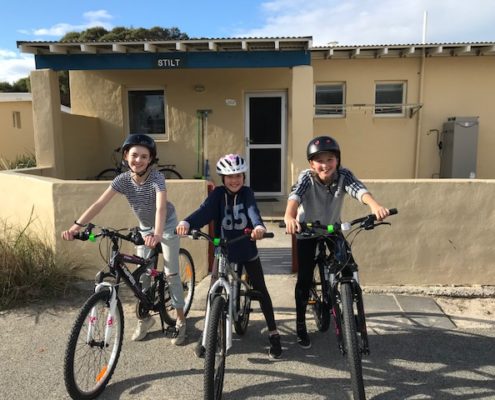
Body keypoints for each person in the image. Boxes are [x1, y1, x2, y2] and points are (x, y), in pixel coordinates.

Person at [61, 134, 187, 345]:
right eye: (134, 155)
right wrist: (76, 227)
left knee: (171, 272)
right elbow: (99, 204)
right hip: (146, 228)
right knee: (142, 277)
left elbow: (160, 208)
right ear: (126, 156)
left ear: (150, 160)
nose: (138, 160)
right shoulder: (122, 180)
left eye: (144, 156)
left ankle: (181, 320)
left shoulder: (157, 178)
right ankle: (145, 319)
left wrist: (157, 234)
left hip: (165, 225)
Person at [284, 135, 390, 349]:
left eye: (330, 159)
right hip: (308, 231)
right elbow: (295, 197)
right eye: (320, 160)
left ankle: (349, 312)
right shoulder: (307, 177)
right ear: (312, 164)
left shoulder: (343, 175)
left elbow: (359, 190)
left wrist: (374, 206)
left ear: (337, 160)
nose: (325, 165)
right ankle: (301, 324)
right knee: (304, 279)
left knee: (348, 266)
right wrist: (289, 217)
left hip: (333, 228)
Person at [176, 154, 283, 359]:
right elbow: (204, 211)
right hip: (223, 250)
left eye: (238, 176)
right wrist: (187, 223)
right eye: (229, 176)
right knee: (212, 293)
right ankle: (208, 334)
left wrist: (258, 226)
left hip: (246, 249)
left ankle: (273, 332)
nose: (234, 180)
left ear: (243, 177)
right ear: (223, 178)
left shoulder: (247, 193)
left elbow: (252, 211)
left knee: (260, 290)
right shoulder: (217, 194)